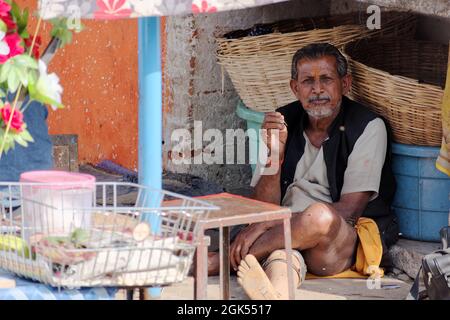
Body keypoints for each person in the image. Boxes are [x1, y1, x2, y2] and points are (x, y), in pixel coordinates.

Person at [208, 43, 399, 299]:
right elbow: (264, 206)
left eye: (326, 79)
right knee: (283, 256)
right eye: (308, 81)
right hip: (280, 236)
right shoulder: (283, 120)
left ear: (345, 83)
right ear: (295, 88)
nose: (317, 89)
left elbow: (350, 210)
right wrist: (276, 153)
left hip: (336, 237)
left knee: (319, 216)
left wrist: (267, 224)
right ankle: (274, 295)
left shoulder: (368, 126)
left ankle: (223, 262)